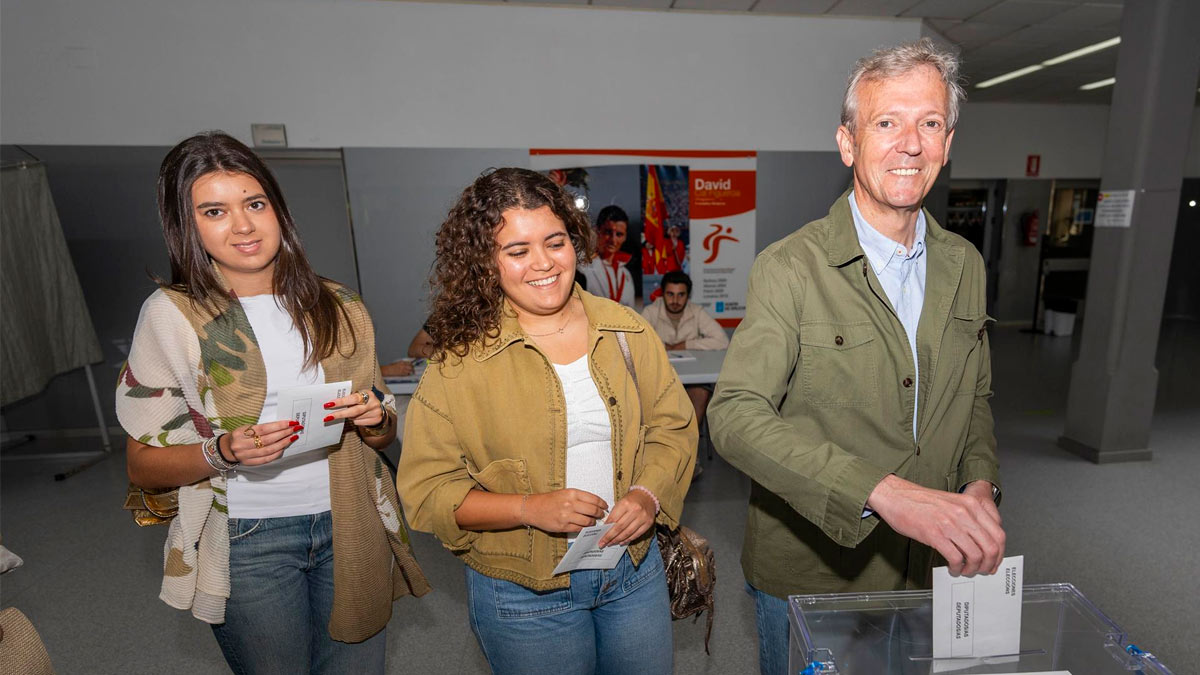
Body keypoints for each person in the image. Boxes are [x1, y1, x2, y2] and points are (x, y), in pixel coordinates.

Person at [708, 39, 1005, 675]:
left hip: (929, 569)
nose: (911, 143)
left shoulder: (966, 265)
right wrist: (880, 492)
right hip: (818, 575)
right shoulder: (790, 267)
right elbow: (733, 414)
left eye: (929, 122)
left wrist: (979, 484)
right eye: (886, 122)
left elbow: (973, 397)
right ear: (848, 144)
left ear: (947, 143)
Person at [117, 131, 429, 674]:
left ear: (277, 210)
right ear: (186, 225)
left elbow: (381, 435)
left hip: (348, 521)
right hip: (247, 538)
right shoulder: (173, 315)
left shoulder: (339, 305)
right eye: (214, 211)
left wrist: (378, 418)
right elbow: (143, 466)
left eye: (254, 204)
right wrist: (223, 451)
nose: (243, 225)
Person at [397, 168, 696, 675]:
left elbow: (673, 428)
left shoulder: (627, 331)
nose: (542, 264)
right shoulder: (461, 360)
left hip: (631, 571)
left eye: (554, 242)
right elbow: (427, 492)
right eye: (517, 251)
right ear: (486, 263)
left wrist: (649, 495)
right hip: (522, 591)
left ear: (574, 243)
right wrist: (528, 507)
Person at [641, 270, 729, 429]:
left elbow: (722, 341)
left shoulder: (697, 312)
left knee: (701, 393)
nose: (675, 300)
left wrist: (686, 345)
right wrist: (662, 346)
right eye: (670, 294)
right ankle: (665, 443)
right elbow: (639, 343)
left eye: (681, 295)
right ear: (662, 294)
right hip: (661, 378)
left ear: (688, 295)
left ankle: (690, 446)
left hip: (691, 379)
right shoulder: (650, 312)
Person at [578, 205, 636, 308]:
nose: (613, 240)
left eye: (619, 234)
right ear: (597, 231)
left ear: (625, 237)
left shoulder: (626, 275)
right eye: (608, 232)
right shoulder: (583, 268)